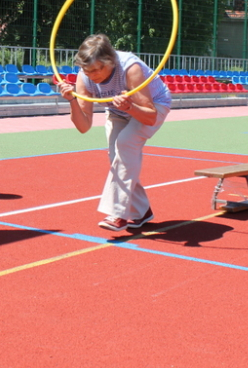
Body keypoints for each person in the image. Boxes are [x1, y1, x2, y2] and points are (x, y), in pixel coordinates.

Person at [57, 34, 171, 232]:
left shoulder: (130, 67)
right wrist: (72, 101)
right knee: (117, 159)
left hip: (152, 107)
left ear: (110, 61)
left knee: (125, 143)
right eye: (88, 70)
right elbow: (83, 126)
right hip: (118, 111)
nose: (94, 75)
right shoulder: (84, 77)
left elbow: (150, 117)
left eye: (98, 69)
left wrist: (130, 108)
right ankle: (142, 211)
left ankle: (118, 213)